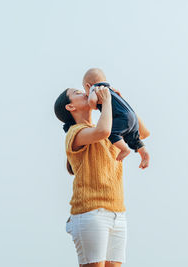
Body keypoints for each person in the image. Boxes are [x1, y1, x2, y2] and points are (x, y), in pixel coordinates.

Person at [54, 85, 150, 267]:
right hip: (90, 212)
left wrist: (121, 101)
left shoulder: (111, 129)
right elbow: (102, 132)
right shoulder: (75, 132)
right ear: (70, 107)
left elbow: (142, 132)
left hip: (117, 211)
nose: (84, 92)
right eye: (77, 93)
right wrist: (106, 102)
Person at [83, 68, 150, 166]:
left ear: (88, 86)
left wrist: (93, 105)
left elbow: (92, 100)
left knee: (111, 132)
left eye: (85, 92)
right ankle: (144, 154)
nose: (85, 94)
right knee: (133, 139)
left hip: (122, 117)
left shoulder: (96, 88)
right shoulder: (111, 90)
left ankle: (124, 149)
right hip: (132, 118)